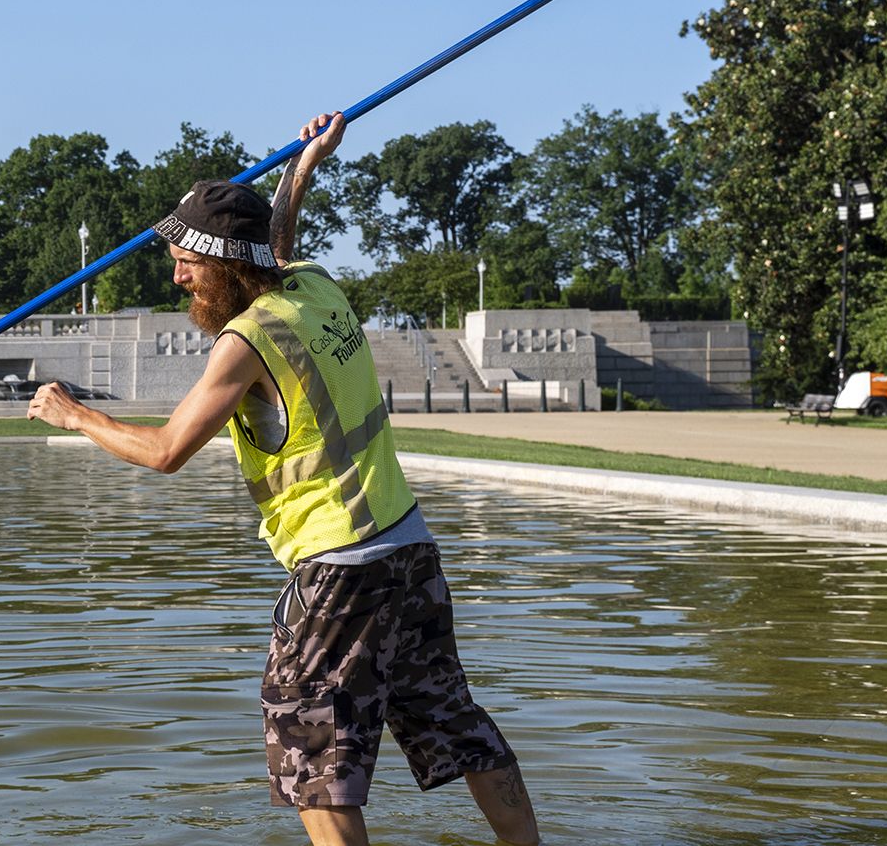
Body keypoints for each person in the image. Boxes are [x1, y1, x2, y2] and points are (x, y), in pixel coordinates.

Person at [27, 112, 538, 846]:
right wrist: (303, 168)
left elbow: (168, 449)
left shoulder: (243, 344)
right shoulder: (314, 290)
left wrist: (74, 415)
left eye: (187, 263)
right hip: (409, 548)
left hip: (339, 565)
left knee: (308, 744)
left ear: (227, 265)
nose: (177, 277)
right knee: (454, 718)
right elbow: (278, 248)